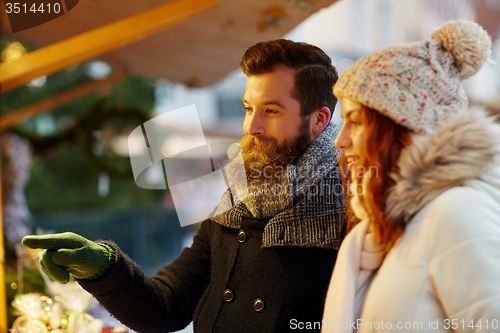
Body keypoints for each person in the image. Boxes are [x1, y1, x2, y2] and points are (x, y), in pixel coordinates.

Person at [23, 39, 347, 332]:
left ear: (318, 119)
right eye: (248, 108)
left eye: (271, 110)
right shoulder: (238, 198)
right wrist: (103, 266)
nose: (252, 126)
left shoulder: (350, 206)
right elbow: (167, 306)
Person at [321, 20, 500, 332]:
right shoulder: (391, 223)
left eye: (356, 121)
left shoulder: (455, 211)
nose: (341, 139)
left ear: (400, 127)